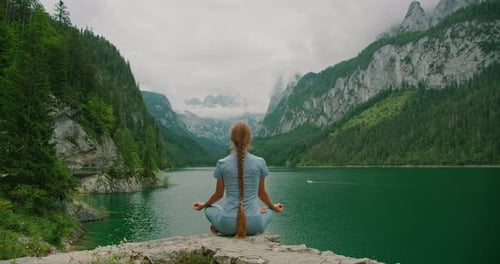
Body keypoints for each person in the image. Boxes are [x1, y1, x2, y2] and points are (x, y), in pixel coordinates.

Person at [193, 122, 284, 238]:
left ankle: (218, 227)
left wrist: (202, 205)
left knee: (210, 208)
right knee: (270, 210)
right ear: (250, 139)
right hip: (254, 224)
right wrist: (273, 206)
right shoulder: (260, 162)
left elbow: (218, 195)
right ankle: (257, 211)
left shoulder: (222, 163)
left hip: (227, 225)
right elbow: (262, 194)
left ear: (231, 140)